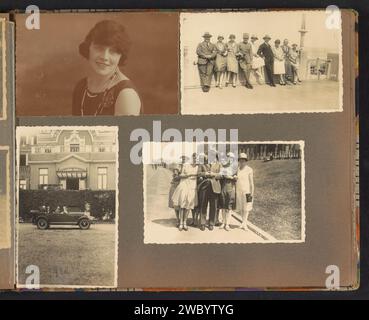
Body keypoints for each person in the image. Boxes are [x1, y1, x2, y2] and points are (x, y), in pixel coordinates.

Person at [72, 20, 142, 116]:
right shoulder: (81, 87)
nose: (105, 57)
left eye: (113, 51)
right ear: (88, 48)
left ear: (121, 56)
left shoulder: (126, 95)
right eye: (99, 48)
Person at [171, 154, 199, 231]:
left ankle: (185, 222)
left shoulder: (197, 167)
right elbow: (181, 175)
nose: (195, 160)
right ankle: (181, 223)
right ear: (192, 158)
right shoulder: (186, 165)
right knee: (182, 205)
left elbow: (199, 176)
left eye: (197, 159)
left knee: (188, 206)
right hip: (184, 185)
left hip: (192, 187)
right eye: (194, 158)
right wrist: (188, 175)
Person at [197, 150, 221, 231]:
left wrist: (213, 174)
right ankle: (202, 223)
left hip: (215, 187)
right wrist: (205, 174)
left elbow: (221, 175)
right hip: (205, 187)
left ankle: (211, 223)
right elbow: (198, 173)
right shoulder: (202, 163)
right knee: (203, 204)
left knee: (213, 206)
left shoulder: (219, 164)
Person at [219, 152, 238, 231]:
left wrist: (235, 177)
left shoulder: (234, 168)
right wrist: (231, 177)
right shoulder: (224, 167)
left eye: (231, 158)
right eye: (228, 157)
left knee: (229, 206)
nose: (229, 159)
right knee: (223, 206)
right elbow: (223, 175)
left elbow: (236, 177)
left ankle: (227, 224)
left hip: (231, 187)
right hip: (224, 187)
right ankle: (223, 222)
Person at [236, 153, 254, 231]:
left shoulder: (249, 169)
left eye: (243, 160)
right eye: (240, 160)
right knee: (241, 207)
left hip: (247, 192)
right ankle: (242, 223)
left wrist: (252, 193)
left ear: (246, 161)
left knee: (246, 208)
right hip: (239, 191)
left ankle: (245, 223)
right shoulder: (237, 169)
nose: (242, 162)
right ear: (239, 161)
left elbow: (251, 183)